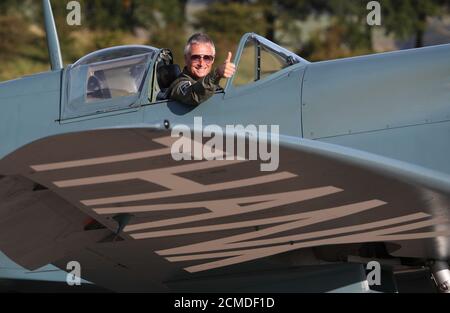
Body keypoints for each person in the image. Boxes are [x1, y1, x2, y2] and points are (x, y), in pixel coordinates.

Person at [168, 33, 236, 106]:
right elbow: (194, 95)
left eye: (207, 58)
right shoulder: (179, 84)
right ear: (186, 58)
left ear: (213, 60)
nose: (201, 63)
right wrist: (217, 74)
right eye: (195, 57)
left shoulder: (213, 86)